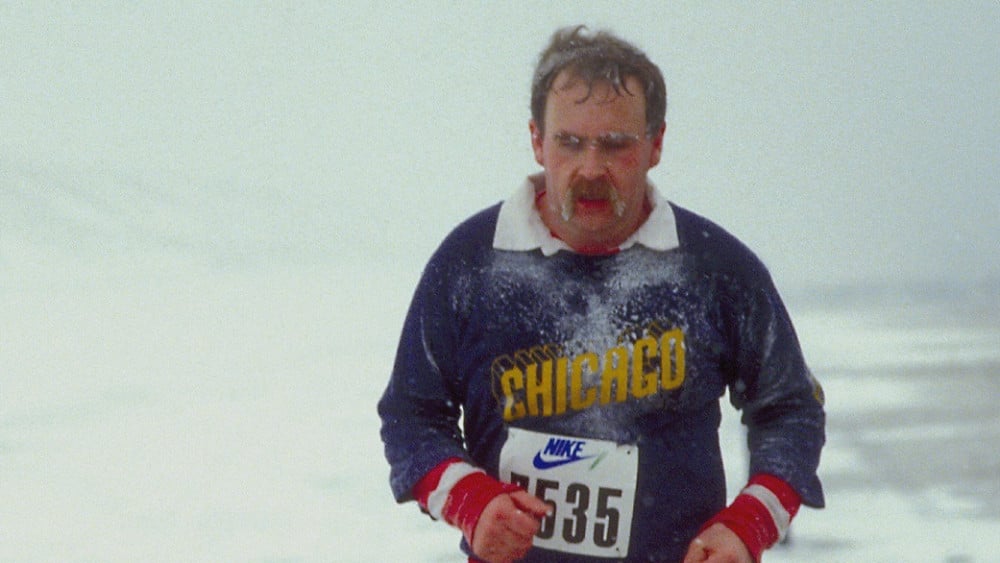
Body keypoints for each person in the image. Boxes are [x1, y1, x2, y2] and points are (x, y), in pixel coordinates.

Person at [378, 25, 825, 563]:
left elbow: (791, 410)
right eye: (569, 142)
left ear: (655, 144)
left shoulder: (714, 268)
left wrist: (747, 525)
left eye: (615, 144)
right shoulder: (470, 265)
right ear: (537, 141)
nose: (591, 168)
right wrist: (469, 502)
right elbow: (411, 416)